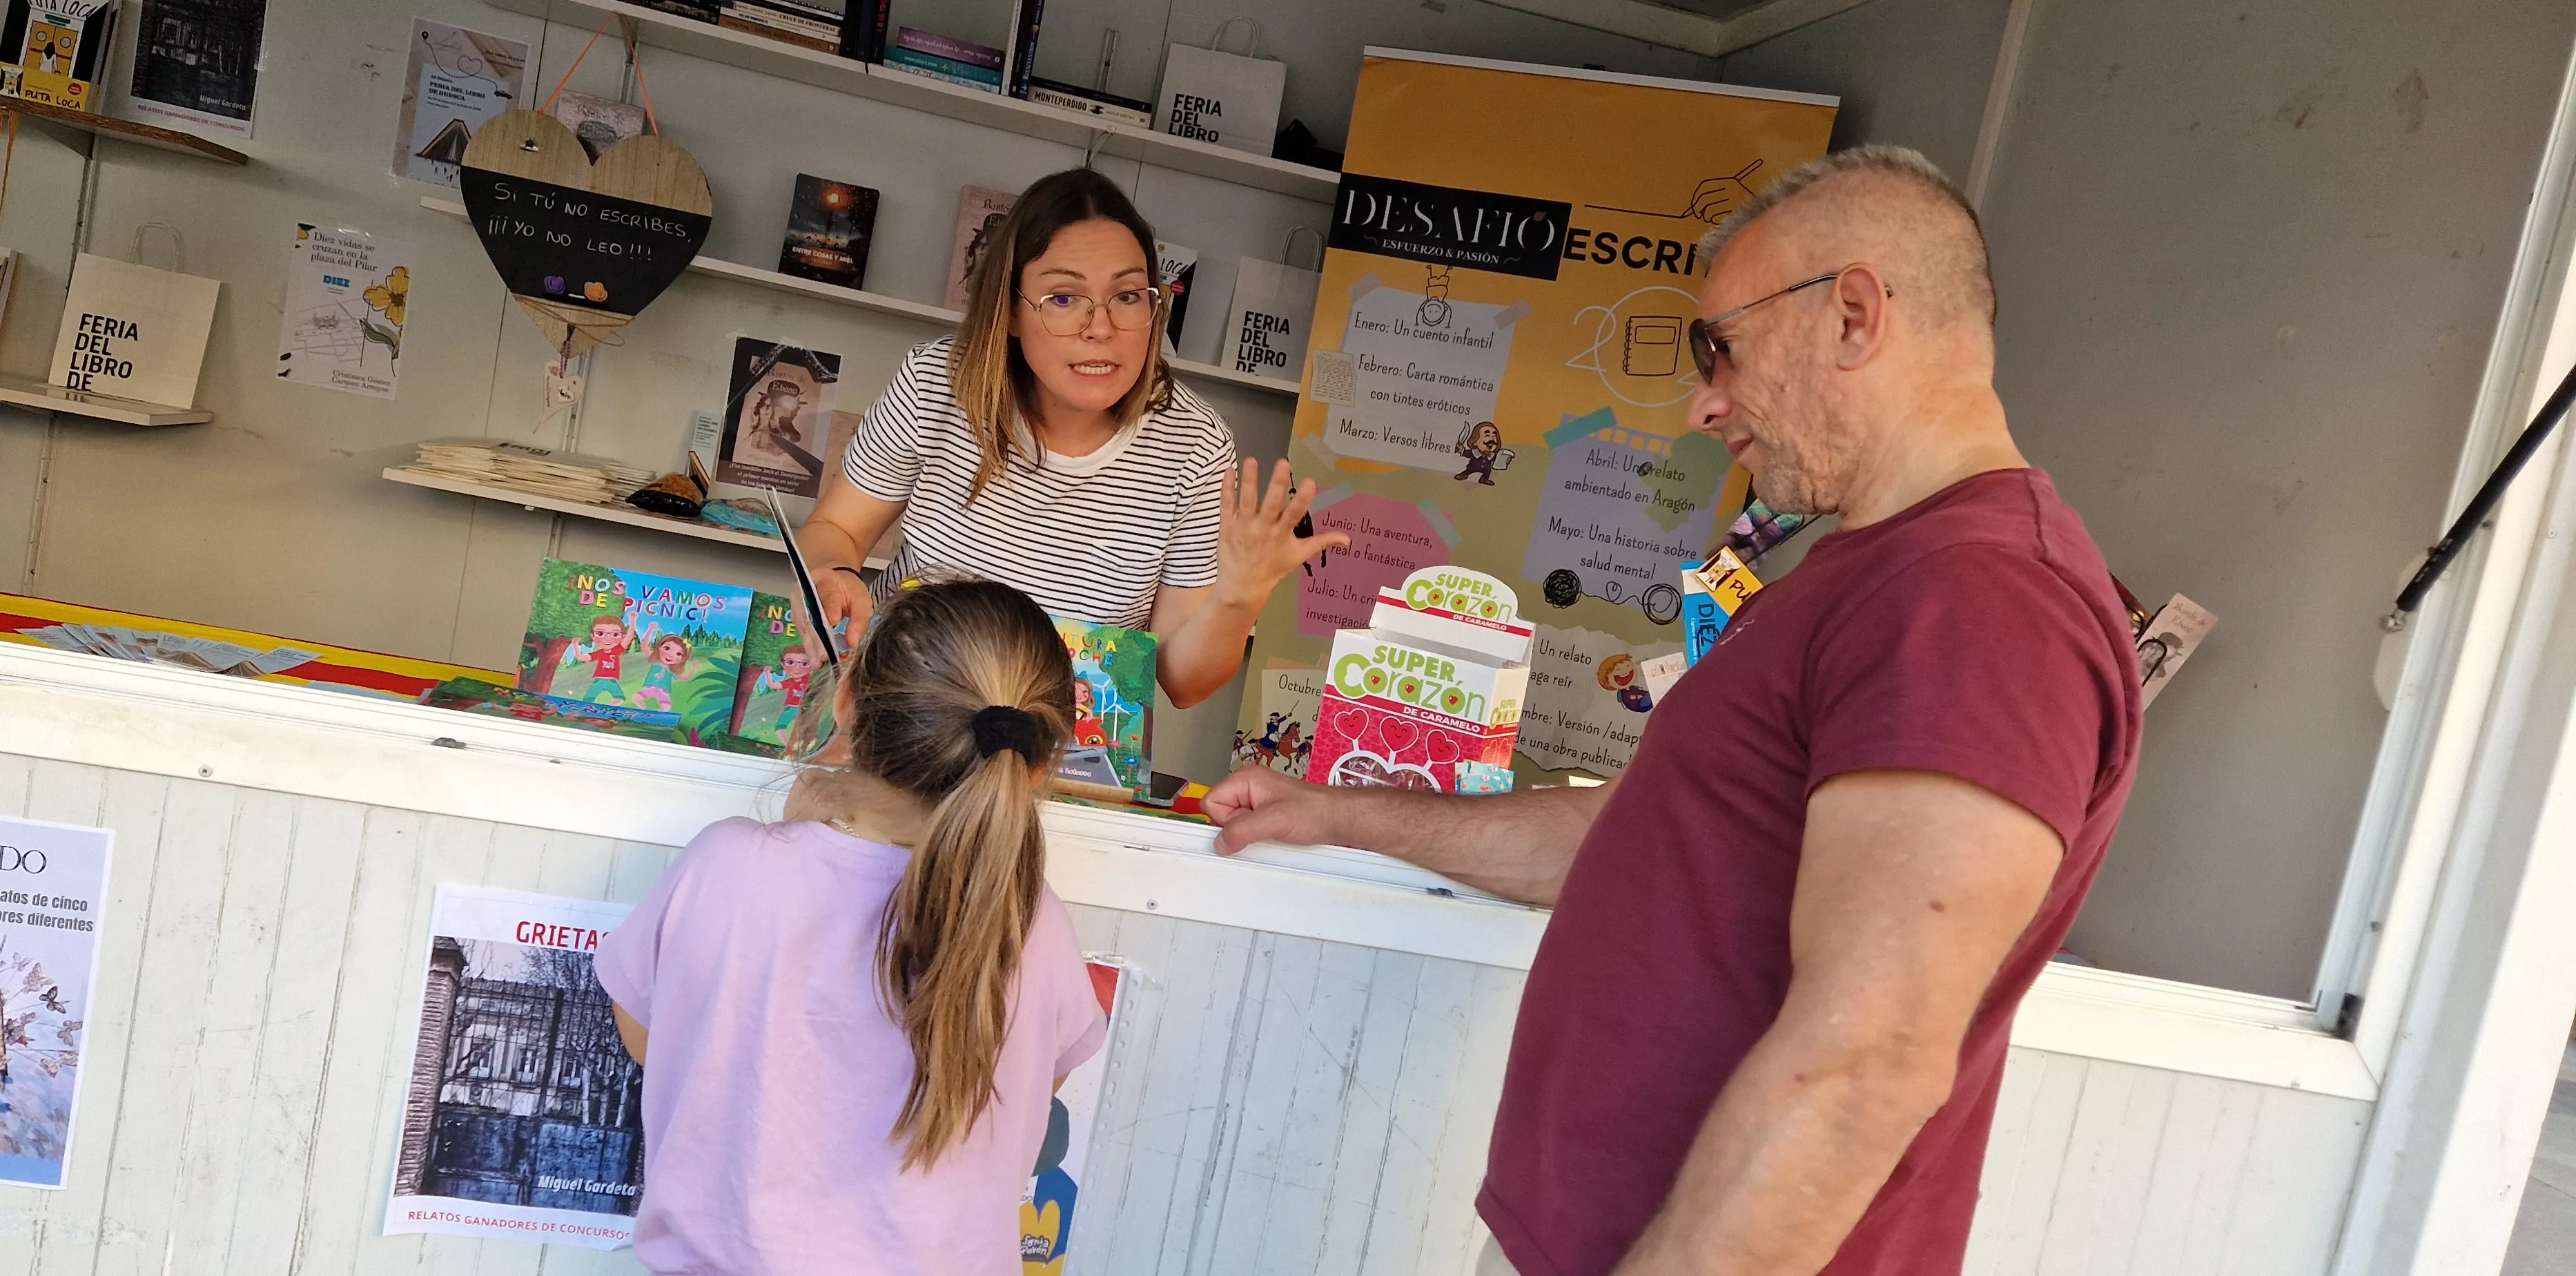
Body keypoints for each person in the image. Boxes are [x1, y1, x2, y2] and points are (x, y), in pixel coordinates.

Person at [1204, 145, 2144, 1276]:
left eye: (1722, 348)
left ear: (1852, 315)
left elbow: (1871, 1058)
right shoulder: (1869, 572)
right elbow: (1638, 835)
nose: (1705, 401)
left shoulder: (1981, 598)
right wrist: (1341, 814)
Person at [596, 579, 1107, 1274]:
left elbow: (648, 1039)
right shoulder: (1032, 916)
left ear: (845, 703)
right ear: (1043, 764)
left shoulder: (730, 865)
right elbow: (1029, 1091)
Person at [795, 168, 1347, 708]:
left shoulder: (1194, 444)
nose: (1100, 327)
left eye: (1128, 296)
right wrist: (834, 574)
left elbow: (1183, 681)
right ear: (1011, 311)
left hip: (1062, 752)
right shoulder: (937, 383)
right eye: (1063, 298)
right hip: (904, 716)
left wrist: (1239, 598)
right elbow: (837, 528)